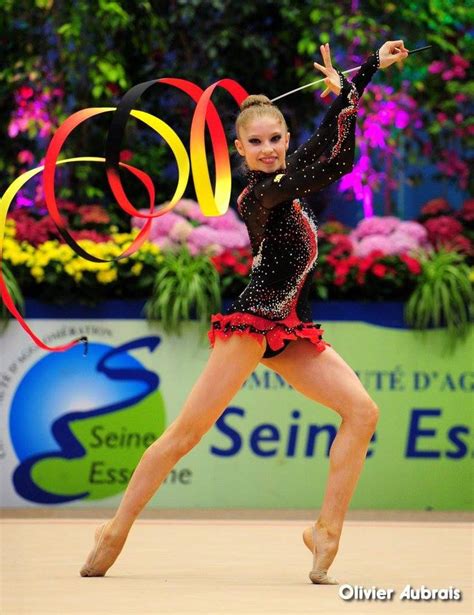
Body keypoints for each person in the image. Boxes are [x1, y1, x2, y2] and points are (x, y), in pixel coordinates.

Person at [80, 40, 409, 583]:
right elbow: (322, 158)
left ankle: (325, 529)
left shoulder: (290, 187)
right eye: (256, 142)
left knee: (363, 413)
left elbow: (339, 157)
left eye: (276, 138)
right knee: (183, 436)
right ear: (238, 148)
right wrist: (364, 72)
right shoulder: (260, 195)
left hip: (287, 326)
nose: (269, 148)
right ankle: (114, 528)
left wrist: (353, 88)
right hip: (253, 322)